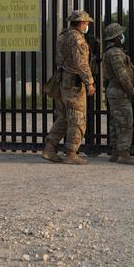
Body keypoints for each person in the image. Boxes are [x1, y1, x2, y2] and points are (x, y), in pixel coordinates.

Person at [41, 10, 96, 165]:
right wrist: (89, 82)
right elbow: (81, 63)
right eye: (86, 23)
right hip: (74, 84)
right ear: (80, 23)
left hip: (62, 81)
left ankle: (49, 148)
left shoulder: (63, 36)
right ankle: (71, 154)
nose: (87, 25)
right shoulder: (77, 38)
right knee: (77, 118)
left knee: (64, 117)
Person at [101, 22, 134, 165]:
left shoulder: (110, 52)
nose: (123, 36)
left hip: (113, 90)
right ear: (117, 37)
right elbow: (122, 75)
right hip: (119, 91)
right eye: (120, 35)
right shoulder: (116, 53)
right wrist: (131, 91)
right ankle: (124, 153)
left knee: (116, 121)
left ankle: (115, 152)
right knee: (125, 122)